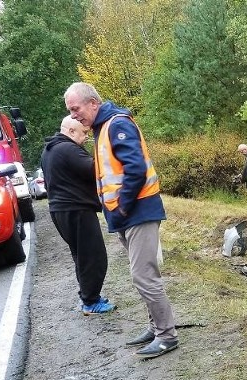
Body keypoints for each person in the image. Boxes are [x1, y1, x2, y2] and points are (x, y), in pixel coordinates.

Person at [64, 82, 178, 359]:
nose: (73, 115)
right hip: (127, 215)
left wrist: (124, 206)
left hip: (138, 212)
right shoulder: (102, 128)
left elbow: (136, 168)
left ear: (93, 103)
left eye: (75, 109)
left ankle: (167, 335)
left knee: (144, 275)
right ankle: (156, 328)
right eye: (70, 111)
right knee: (142, 275)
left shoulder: (116, 124)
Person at [40, 116, 115, 315]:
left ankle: (89, 296)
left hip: (60, 211)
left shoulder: (49, 150)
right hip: (76, 210)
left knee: (80, 256)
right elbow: (94, 169)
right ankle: (91, 301)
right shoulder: (67, 149)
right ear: (71, 131)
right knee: (93, 256)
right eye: (83, 133)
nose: (85, 138)